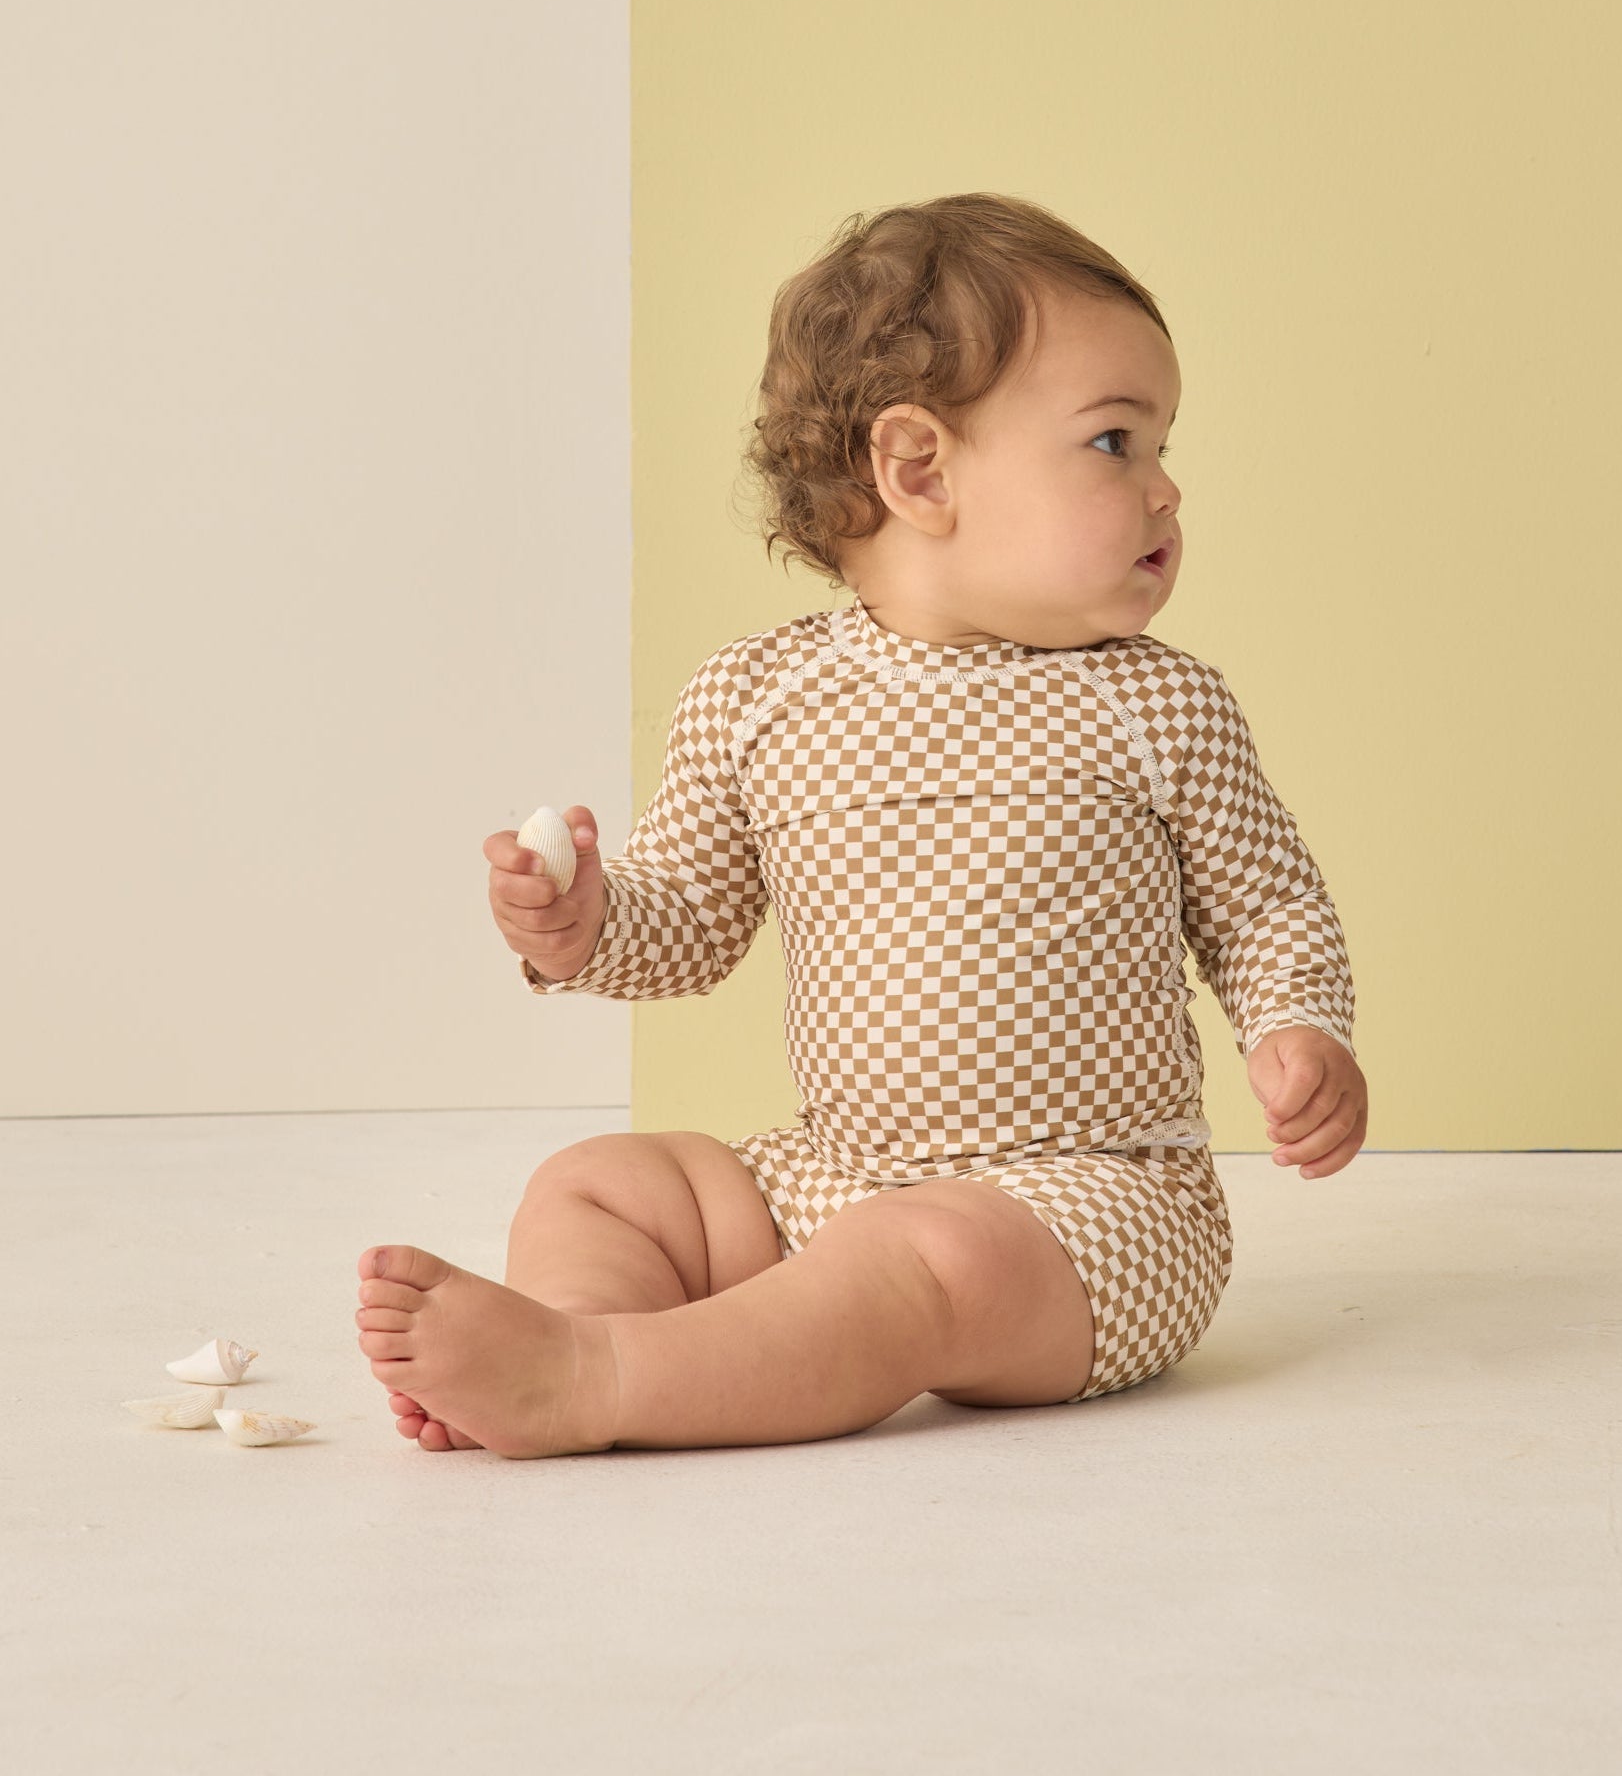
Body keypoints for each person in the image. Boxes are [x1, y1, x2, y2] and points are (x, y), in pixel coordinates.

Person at [353, 191, 1368, 1458]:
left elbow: (1266, 903)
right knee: (604, 1184)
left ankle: (600, 1379)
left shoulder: (1154, 701)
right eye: (1116, 443)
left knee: (927, 1259)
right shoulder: (757, 697)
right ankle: (562, 1333)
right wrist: (584, 925)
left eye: (1162, 449)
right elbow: (690, 925)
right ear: (919, 468)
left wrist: (1295, 1027)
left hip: (1093, 1210)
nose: (1165, 493)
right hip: (838, 1178)